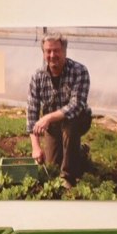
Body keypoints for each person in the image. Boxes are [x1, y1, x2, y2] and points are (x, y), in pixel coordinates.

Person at [27, 32, 92, 185]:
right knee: (52, 165)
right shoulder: (37, 77)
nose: (52, 55)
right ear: (43, 53)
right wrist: (36, 147)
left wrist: (47, 117)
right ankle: (79, 152)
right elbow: (32, 113)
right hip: (54, 126)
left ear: (64, 51)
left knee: (70, 125)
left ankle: (68, 177)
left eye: (56, 50)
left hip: (78, 120)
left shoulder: (79, 71)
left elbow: (76, 106)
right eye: (48, 51)